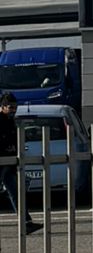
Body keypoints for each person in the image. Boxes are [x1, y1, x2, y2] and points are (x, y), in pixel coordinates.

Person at [0, 92, 38, 233]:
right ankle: (26, 222)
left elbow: (12, 138)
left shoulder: (10, 121)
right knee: (15, 192)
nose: (13, 110)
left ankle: (26, 222)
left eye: (15, 107)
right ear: (3, 106)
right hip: (2, 160)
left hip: (9, 161)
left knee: (16, 192)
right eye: (11, 107)